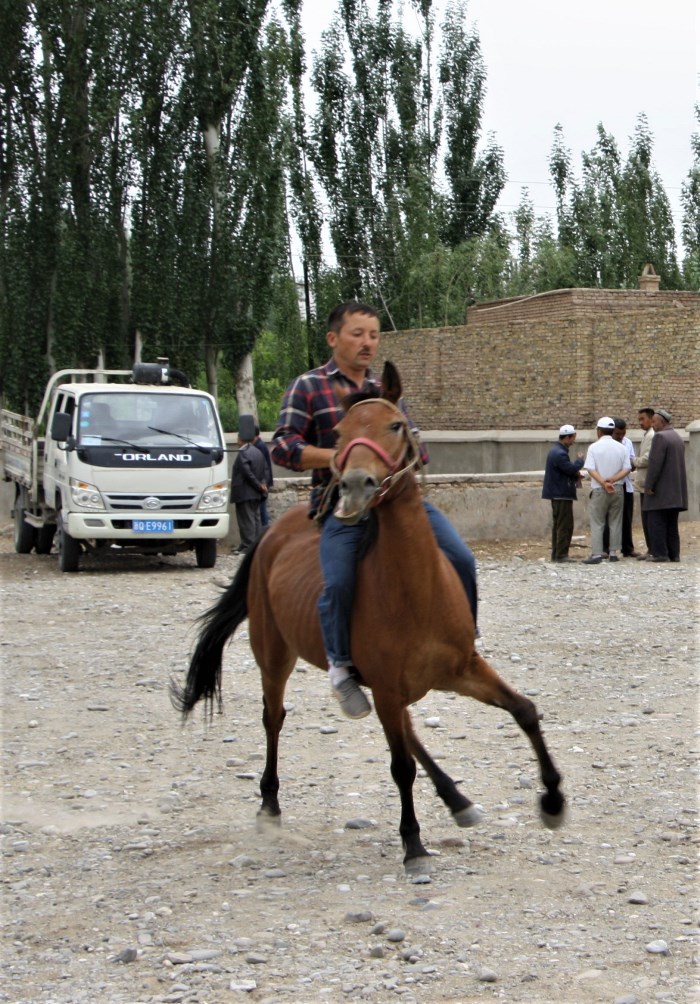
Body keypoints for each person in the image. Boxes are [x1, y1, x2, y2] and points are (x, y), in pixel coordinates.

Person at [271, 300, 478, 720]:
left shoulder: (386, 394)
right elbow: (282, 446)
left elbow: (416, 451)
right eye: (357, 334)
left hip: (397, 502)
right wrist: (339, 457)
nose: (367, 343)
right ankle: (341, 667)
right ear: (333, 338)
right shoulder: (309, 386)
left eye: (373, 335)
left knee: (461, 557)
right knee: (340, 581)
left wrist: (405, 445)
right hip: (343, 505)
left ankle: (463, 642)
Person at [582, 416, 631, 564]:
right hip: (617, 489)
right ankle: (613, 552)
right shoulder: (622, 447)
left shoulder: (593, 447)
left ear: (599, 431)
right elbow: (627, 468)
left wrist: (603, 482)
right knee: (615, 520)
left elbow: (590, 469)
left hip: (599, 489)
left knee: (598, 522)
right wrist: (613, 480)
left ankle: (597, 554)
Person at [643, 408, 688, 562]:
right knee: (671, 525)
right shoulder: (676, 437)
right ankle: (674, 554)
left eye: (654, 422)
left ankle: (660, 553)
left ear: (662, 422)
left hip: (661, 492)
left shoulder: (660, 437)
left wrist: (649, 485)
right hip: (675, 492)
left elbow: (655, 464)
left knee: (656, 522)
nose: (652, 425)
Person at [541, 423, 584, 562]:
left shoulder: (557, 451)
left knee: (559, 525)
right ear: (567, 437)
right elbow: (570, 469)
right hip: (561, 493)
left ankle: (557, 554)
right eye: (573, 438)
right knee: (564, 525)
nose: (574, 441)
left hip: (558, 493)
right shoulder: (559, 453)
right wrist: (579, 461)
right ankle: (561, 555)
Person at [602, 418, 640, 558]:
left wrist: (630, 464)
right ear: (612, 432)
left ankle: (627, 548)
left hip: (625, 484)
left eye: (623, 433)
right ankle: (605, 548)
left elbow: (632, 461)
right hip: (609, 483)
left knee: (626, 517)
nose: (620, 436)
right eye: (618, 434)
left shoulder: (627, 442)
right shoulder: (605, 444)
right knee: (607, 517)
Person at [231, 426, 268, 554]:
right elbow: (264, 470)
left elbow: (247, 473)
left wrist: (258, 484)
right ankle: (254, 545)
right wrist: (262, 485)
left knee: (246, 520)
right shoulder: (257, 452)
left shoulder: (243, 452)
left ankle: (248, 546)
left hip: (245, 492)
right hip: (256, 493)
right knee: (255, 518)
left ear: (241, 439)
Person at [633, 407, 655, 559]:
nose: (640, 422)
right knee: (646, 518)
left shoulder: (652, 436)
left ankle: (652, 549)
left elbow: (647, 459)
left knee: (649, 518)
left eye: (643, 419)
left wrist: (633, 461)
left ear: (651, 418)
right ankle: (650, 549)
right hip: (643, 483)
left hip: (647, 483)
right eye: (639, 419)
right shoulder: (647, 435)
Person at [252, 424, 274, 528]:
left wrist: (262, 482)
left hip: (262, 483)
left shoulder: (259, 446)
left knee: (261, 511)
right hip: (264, 482)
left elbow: (261, 466)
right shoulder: (260, 445)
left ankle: (264, 533)